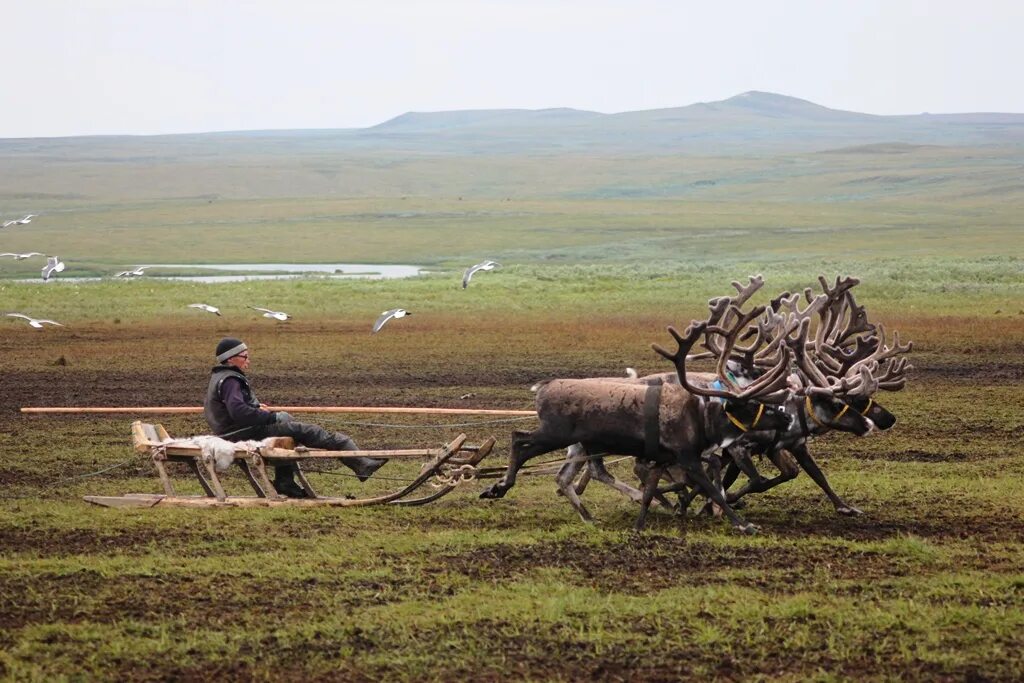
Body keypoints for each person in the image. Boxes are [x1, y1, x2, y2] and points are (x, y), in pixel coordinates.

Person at [203, 337, 386, 498]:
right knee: (306, 430)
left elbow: (235, 409)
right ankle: (361, 463)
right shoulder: (230, 380)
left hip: (234, 432)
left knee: (287, 424)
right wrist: (269, 417)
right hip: (241, 433)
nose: (248, 361)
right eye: (245, 356)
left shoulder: (222, 377)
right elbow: (240, 413)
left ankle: (285, 482)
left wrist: (257, 408)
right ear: (231, 358)